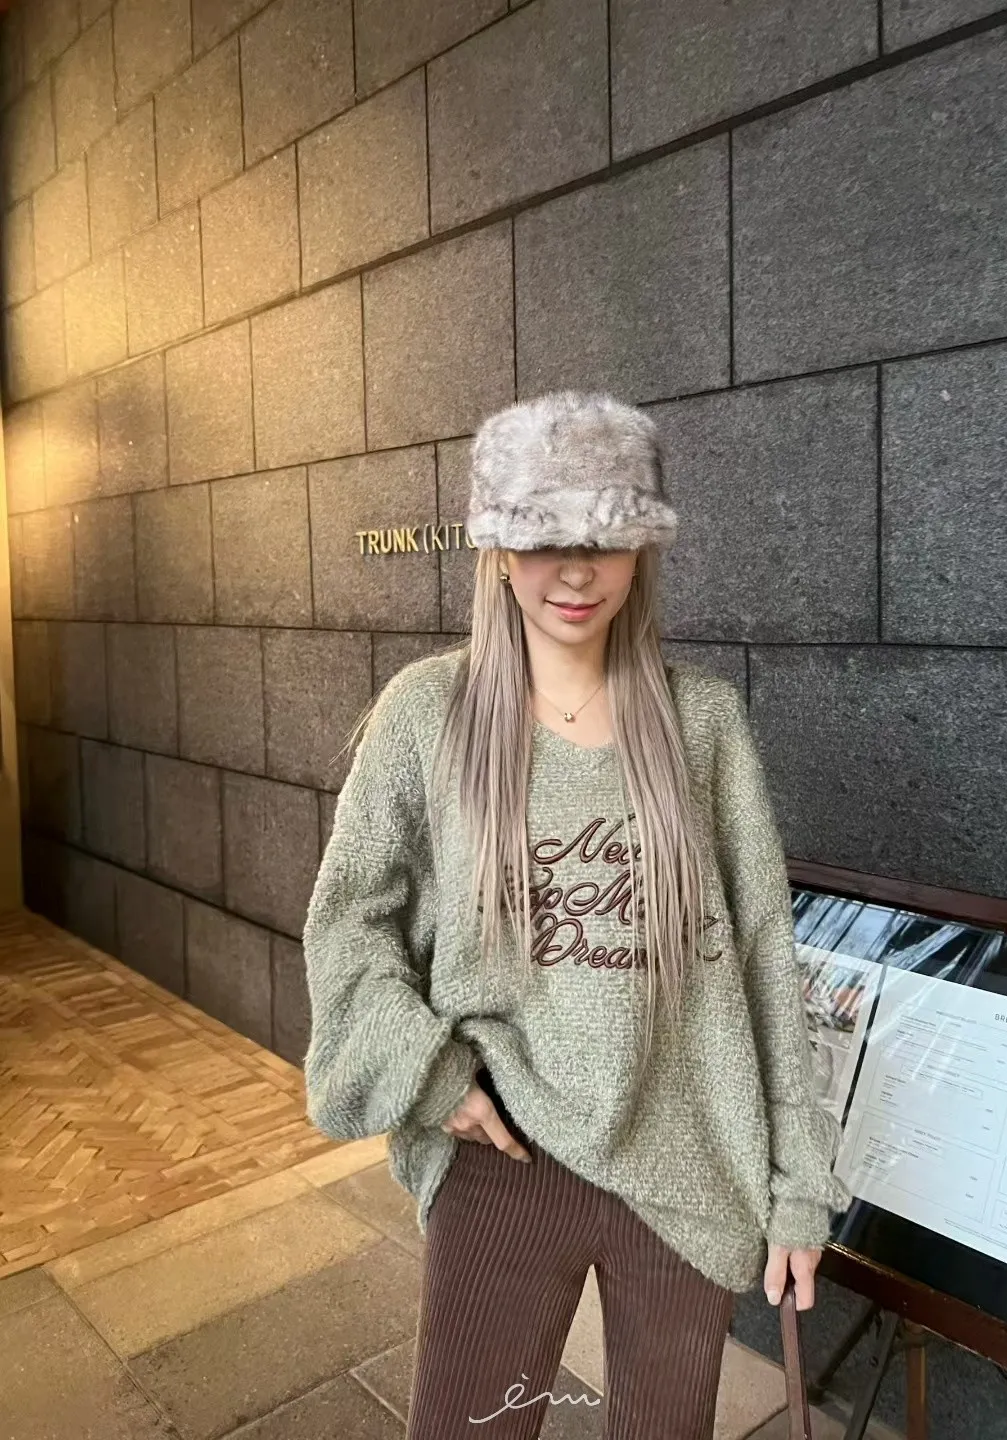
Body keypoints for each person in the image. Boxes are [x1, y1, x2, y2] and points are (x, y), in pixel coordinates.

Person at [302, 390, 850, 1439]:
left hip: (690, 1158)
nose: (575, 572)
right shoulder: (428, 713)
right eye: (544, 538)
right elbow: (349, 921)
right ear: (498, 550)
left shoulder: (701, 722)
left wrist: (796, 1184)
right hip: (503, 1154)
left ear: (641, 550)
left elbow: (762, 956)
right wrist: (431, 1075)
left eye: (603, 540)